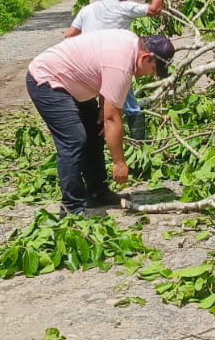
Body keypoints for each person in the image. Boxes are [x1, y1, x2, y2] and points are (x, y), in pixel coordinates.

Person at [25, 29, 175, 214]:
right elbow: (113, 119)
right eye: (153, 70)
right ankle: (71, 207)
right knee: (74, 140)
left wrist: (103, 109)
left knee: (95, 131)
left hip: (73, 82)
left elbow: (106, 86)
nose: (151, 75)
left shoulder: (130, 44)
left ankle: (97, 193)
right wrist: (119, 163)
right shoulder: (122, 65)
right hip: (47, 80)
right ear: (145, 58)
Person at [66, 0, 168, 132]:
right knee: (130, 106)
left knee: (95, 106)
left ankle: (99, 134)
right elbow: (155, 9)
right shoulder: (123, 7)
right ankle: (139, 143)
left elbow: (69, 36)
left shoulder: (87, 10)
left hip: (88, 67)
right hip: (114, 65)